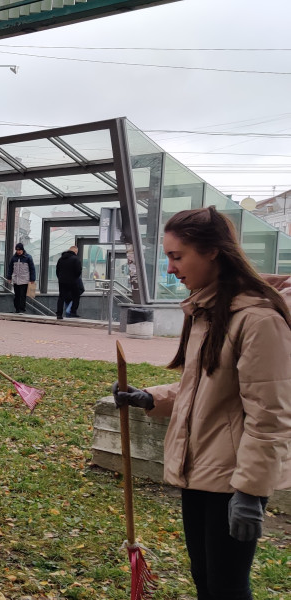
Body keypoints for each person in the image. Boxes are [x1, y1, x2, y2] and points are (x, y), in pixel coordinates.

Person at [112, 206, 291, 600]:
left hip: (233, 480)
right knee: (205, 579)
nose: (171, 268)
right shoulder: (209, 310)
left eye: (177, 256)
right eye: (168, 257)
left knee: (226, 587)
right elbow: (203, 386)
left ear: (212, 251)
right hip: (201, 470)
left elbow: (270, 415)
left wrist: (249, 491)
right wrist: (150, 397)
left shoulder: (259, 320)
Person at [55, 245, 84, 319]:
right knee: (76, 295)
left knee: (61, 297)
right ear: (75, 251)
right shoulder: (76, 259)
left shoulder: (61, 259)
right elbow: (78, 271)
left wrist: (60, 278)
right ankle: (73, 312)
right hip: (72, 281)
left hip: (62, 281)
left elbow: (57, 270)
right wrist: (75, 278)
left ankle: (59, 314)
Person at [6, 243, 36, 314]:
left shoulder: (28, 257)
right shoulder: (14, 258)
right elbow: (10, 268)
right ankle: (17, 309)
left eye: (19, 250)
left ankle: (22, 309)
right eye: (17, 250)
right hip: (16, 280)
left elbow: (32, 269)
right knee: (17, 296)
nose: (18, 251)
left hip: (24, 280)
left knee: (22, 296)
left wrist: (32, 279)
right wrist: (9, 277)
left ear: (22, 250)